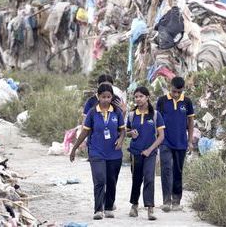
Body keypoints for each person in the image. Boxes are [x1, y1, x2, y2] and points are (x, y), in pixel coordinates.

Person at [70, 84, 126, 220]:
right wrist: (74, 148)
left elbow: (122, 130)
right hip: (96, 152)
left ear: (112, 97)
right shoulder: (92, 112)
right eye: (103, 97)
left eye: (108, 97)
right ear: (98, 97)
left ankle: (108, 207)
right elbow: (85, 131)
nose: (106, 100)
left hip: (114, 153)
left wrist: (121, 139)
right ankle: (98, 209)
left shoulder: (117, 112)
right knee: (100, 180)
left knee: (111, 181)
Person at [156, 76, 195, 212]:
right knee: (166, 169)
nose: (176, 94)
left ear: (183, 89)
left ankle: (176, 200)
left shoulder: (187, 102)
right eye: (174, 91)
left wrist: (190, 140)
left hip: (181, 142)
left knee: (177, 170)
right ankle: (166, 201)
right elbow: (157, 121)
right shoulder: (161, 101)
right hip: (165, 141)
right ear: (169, 87)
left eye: (179, 92)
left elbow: (190, 122)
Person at [126, 86, 165, 220]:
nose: (138, 99)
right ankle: (134, 206)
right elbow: (126, 132)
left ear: (147, 97)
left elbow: (161, 136)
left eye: (141, 96)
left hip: (151, 153)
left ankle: (150, 208)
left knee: (149, 178)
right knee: (136, 179)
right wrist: (131, 133)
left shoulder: (155, 115)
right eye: (136, 96)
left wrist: (149, 150)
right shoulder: (132, 115)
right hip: (135, 152)